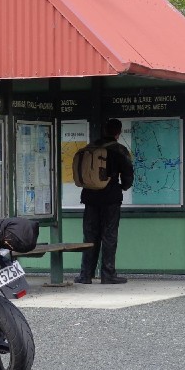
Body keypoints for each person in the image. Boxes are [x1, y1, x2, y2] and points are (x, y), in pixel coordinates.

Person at [75, 118, 134, 284]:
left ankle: (85, 275)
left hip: (90, 197)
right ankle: (108, 274)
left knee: (90, 235)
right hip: (110, 198)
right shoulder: (119, 150)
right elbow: (128, 172)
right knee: (109, 235)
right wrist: (123, 186)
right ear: (118, 132)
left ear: (104, 130)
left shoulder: (91, 147)